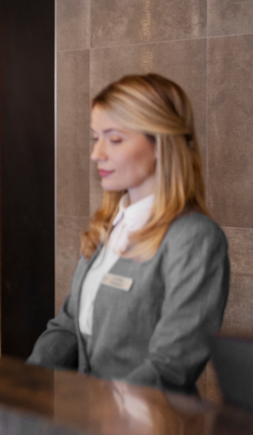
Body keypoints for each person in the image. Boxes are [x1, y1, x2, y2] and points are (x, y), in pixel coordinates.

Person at [28, 73, 229, 395]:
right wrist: (25, 385)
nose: (97, 153)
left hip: (150, 432)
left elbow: (172, 364)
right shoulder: (106, 226)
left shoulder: (195, 238)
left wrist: (108, 414)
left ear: (161, 144)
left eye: (115, 139)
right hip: (87, 423)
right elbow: (66, 327)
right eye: (96, 138)